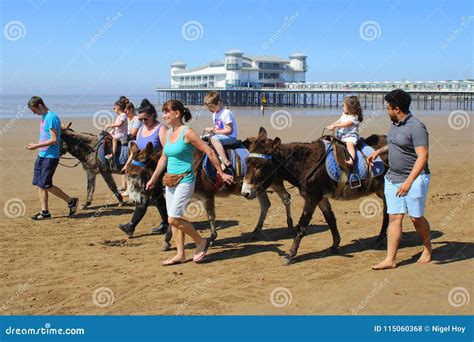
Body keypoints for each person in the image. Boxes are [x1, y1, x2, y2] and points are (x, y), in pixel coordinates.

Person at [146, 99, 233, 265]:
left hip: (185, 179)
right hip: (170, 181)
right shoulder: (169, 133)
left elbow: (209, 151)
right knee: (176, 218)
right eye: (163, 112)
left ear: (177, 114)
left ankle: (201, 241)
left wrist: (221, 172)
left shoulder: (187, 132)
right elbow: (163, 159)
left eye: (166, 112)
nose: (163, 115)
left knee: (172, 219)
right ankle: (181, 254)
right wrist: (153, 178)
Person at [367, 89, 432, 270]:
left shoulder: (417, 127)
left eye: (388, 108)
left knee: (416, 219)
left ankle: (427, 248)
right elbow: (396, 143)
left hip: (416, 178)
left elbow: (422, 157)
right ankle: (390, 259)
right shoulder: (395, 124)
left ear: (396, 108)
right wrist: (379, 151)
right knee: (394, 217)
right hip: (393, 177)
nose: (386, 111)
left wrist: (409, 182)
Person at [118, 99, 169, 236]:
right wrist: (127, 165)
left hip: (156, 169)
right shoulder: (141, 129)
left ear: (152, 115)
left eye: (145, 118)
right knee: (158, 198)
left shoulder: (161, 129)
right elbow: (136, 151)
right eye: (141, 119)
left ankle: (131, 226)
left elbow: (167, 150)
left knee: (144, 197)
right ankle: (166, 223)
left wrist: (158, 171)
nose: (143, 121)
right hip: (141, 171)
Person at [26, 96, 78, 220]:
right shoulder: (44, 117)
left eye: (34, 110)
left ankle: (71, 201)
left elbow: (54, 140)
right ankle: (45, 212)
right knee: (40, 184)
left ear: (40, 106)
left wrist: (36, 145)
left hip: (50, 156)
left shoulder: (51, 117)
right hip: (42, 155)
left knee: (46, 184)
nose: (34, 113)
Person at [203, 91, 238, 171]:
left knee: (214, 139)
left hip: (230, 137)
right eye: (208, 108)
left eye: (211, 107)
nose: (210, 110)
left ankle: (225, 161)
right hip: (221, 135)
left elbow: (229, 130)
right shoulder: (215, 114)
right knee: (202, 138)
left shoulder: (226, 113)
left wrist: (214, 131)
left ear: (219, 103)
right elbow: (219, 128)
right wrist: (212, 130)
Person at [326, 96, 363, 166]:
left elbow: (347, 124)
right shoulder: (344, 114)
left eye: (344, 106)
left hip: (350, 136)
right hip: (341, 135)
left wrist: (336, 126)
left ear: (350, 108)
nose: (342, 107)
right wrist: (332, 125)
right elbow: (338, 121)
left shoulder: (354, 117)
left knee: (350, 145)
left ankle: (351, 160)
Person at [118, 101, 142, 194]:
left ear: (131, 110)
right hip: (127, 141)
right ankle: (124, 184)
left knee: (129, 163)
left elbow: (133, 133)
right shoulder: (127, 120)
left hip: (135, 142)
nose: (125, 113)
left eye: (126, 111)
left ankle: (129, 188)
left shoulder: (137, 119)